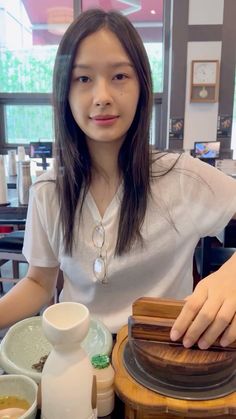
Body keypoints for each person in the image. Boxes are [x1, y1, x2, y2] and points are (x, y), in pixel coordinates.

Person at [1, 8, 236, 351]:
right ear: (64, 93)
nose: (102, 96)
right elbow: (39, 281)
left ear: (142, 85)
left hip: (166, 356)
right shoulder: (49, 192)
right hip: (78, 358)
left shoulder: (182, 176)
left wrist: (231, 276)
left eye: (120, 77)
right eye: (83, 79)